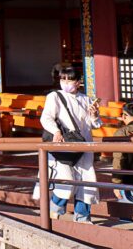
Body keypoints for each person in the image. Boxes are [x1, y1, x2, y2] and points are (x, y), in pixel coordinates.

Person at [39, 65, 102, 223]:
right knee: (65, 178)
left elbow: (95, 124)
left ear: (78, 81)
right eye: (62, 78)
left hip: (84, 143)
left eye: (70, 79)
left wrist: (94, 115)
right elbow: (46, 117)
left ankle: (83, 216)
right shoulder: (55, 96)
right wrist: (56, 131)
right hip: (64, 143)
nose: (65, 82)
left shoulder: (86, 99)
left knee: (86, 181)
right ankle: (55, 209)